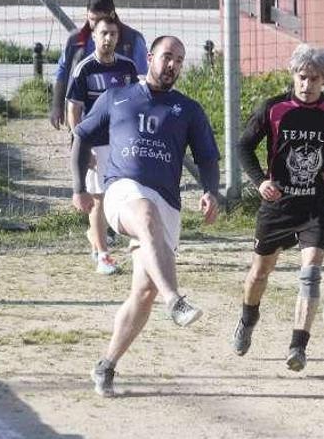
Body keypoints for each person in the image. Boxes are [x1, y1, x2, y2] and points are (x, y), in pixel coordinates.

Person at [71, 36, 221, 397]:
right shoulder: (116, 96)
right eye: (167, 57)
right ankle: (176, 300)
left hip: (167, 200)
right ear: (150, 58)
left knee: (143, 292)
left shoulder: (188, 109)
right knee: (145, 213)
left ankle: (106, 365)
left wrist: (211, 190)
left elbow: (207, 158)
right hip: (123, 190)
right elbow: (81, 137)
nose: (173, 65)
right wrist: (79, 187)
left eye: (180, 61)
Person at [231, 44, 324, 371]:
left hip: (316, 207)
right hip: (278, 207)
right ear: (293, 75)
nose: (307, 85)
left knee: (310, 276)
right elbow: (243, 145)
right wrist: (259, 181)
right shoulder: (274, 109)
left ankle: (298, 347)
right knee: (258, 274)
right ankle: (248, 319)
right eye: (302, 77)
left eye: (315, 79)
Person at [66, 15, 139, 275]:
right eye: (103, 33)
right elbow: (73, 110)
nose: (108, 39)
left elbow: (136, 103)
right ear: (94, 37)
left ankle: (132, 243)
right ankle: (103, 255)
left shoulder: (128, 68)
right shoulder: (84, 69)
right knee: (98, 199)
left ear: (118, 38)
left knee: (128, 193)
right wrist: (81, 146)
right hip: (96, 143)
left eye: (113, 34)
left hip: (123, 142)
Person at [50, 0, 147, 130]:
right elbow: (62, 71)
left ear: (112, 15)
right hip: (81, 118)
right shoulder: (76, 40)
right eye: (91, 19)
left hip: (120, 122)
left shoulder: (133, 40)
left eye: (99, 20)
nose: (94, 25)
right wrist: (57, 106)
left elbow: (142, 81)